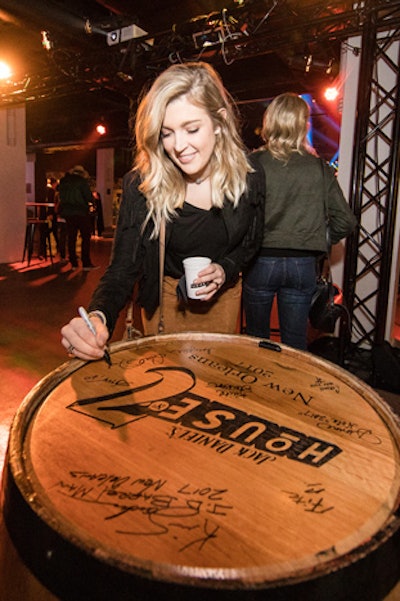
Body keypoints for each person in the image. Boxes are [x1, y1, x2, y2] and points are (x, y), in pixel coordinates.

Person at [60, 61, 265, 362]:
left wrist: (225, 268)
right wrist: (98, 316)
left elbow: (251, 241)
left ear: (219, 122)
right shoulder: (143, 184)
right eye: (167, 133)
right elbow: (122, 268)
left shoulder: (250, 176)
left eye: (192, 129)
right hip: (166, 303)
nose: (178, 146)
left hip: (224, 301)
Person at [243, 92, 357, 350]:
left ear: (270, 121)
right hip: (302, 264)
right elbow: (346, 220)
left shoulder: (253, 164)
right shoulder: (319, 168)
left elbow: (239, 215)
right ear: (303, 124)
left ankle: (257, 388)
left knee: (255, 341)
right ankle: (289, 390)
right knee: (294, 344)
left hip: (260, 261)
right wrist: (319, 237)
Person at [58, 165, 98, 271]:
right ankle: (86, 262)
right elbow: (88, 197)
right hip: (81, 212)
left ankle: (73, 263)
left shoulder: (63, 182)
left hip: (67, 213)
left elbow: (60, 196)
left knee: (71, 238)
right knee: (85, 237)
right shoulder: (82, 182)